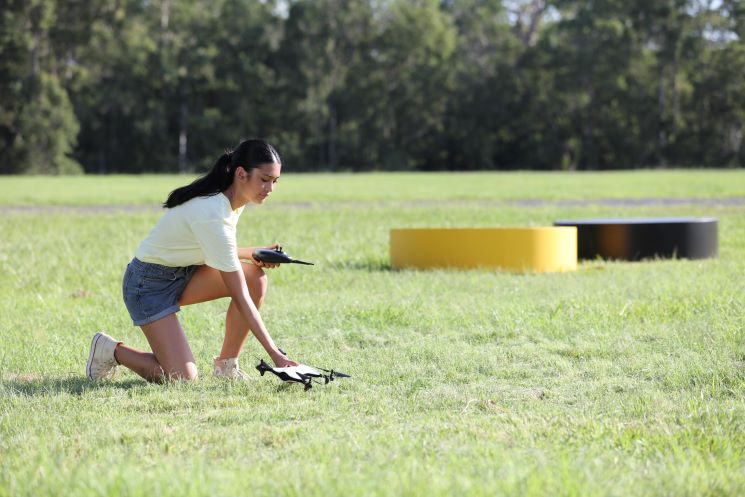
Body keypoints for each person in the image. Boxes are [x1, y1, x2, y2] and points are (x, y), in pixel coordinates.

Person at [86, 138, 299, 382]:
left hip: (184, 273)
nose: (270, 188)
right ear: (241, 174)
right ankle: (111, 350)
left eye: (275, 181)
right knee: (183, 378)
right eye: (264, 179)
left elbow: (216, 247)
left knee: (255, 278)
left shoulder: (232, 200)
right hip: (148, 286)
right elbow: (240, 296)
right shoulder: (213, 212)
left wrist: (253, 252)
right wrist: (276, 355)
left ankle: (227, 367)